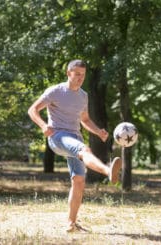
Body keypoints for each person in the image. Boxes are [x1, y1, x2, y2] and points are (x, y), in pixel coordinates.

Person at [28, 59, 122, 232]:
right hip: (57, 136)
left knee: (78, 181)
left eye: (83, 75)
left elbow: (84, 119)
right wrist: (43, 126)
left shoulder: (83, 95)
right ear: (68, 73)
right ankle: (108, 171)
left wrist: (98, 131)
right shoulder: (55, 91)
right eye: (77, 74)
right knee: (85, 149)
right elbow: (33, 110)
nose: (80, 78)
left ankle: (71, 223)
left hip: (74, 135)